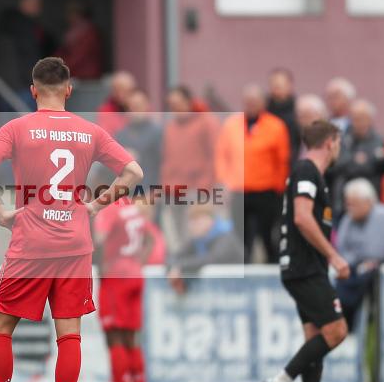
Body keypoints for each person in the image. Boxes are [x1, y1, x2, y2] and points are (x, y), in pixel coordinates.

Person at [0, 57, 142, 382]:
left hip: (32, 242)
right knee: (69, 333)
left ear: (33, 90)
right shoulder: (90, 131)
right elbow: (134, 173)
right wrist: (95, 205)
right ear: (70, 90)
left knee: (0, 326)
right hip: (75, 243)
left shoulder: (18, 127)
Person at [262, 120, 349, 382]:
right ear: (330, 142)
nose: (339, 147)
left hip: (304, 266)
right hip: (304, 266)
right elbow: (301, 217)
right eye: (338, 141)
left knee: (316, 334)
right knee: (337, 331)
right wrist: (334, 255)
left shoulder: (311, 174)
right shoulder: (307, 171)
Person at [216, 83, 289, 263]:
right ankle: (242, 269)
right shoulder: (231, 125)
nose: (251, 105)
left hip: (265, 191)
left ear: (263, 103)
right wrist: (224, 182)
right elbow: (221, 155)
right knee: (241, 236)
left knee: (267, 235)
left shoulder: (276, 126)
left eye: (255, 101)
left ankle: (272, 271)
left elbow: (282, 161)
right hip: (238, 190)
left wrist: (279, 189)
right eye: (247, 101)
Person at [94, 195, 153, 382]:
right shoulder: (132, 208)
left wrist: (102, 267)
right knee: (132, 339)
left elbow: (99, 240)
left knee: (114, 338)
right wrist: (138, 262)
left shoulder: (109, 210)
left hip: (115, 277)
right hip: (135, 275)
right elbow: (150, 239)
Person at [335, 179, 384, 332]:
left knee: (360, 274)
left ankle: (350, 323)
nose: (349, 208)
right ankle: (346, 321)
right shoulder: (348, 218)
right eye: (348, 203)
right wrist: (358, 260)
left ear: (368, 202)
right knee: (351, 275)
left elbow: (375, 253)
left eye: (354, 203)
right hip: (377, 271)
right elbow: (341, 251)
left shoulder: (382, 215)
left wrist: (357, 259)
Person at [160, 85, 219, 250]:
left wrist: (205, 185)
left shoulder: (206, 122)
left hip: (196, 187)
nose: (174, 108)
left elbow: (214, 155)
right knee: (177, 232)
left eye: (177, 104)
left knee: (196, 230)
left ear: (188, 101)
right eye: (171, 105)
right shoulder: (171, 127)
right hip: (173, 189)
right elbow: (166, 157)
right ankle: (181, 265)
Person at [0, 0, 55, 112]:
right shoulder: (24, 27)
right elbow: (28, 58)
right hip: (22, 88)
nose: (38, 7)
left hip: (7, 87)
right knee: (28, 128)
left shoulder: (9, 24)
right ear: (24, 2)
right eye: (35, 3)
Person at [166, 203, 243, 295]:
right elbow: (173, 257)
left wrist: (180, 267)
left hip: (236, 292)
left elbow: (212, 259)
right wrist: (174, 269)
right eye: (191, 221)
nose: (192, 226)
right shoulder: (197, 240)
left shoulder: (226, 238)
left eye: (197, 221)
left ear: (210, 220)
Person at [326, 99, 384, 213]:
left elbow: (373, 167)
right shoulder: (340, 140)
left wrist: (350, 162)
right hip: (342, 203)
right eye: (356, 119)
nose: (359, 123)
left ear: (370, 120)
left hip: (371, 202)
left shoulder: (380, 141)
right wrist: (355, 160)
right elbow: (335, 164)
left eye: (363, 118)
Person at [115, 88, 162, 193]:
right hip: (125, 195)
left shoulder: (157, 133)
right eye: (132, 106)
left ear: (147, 105)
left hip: (149, 194)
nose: (135, 110)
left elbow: (164, 166)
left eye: (139, 106)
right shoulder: (121, 135)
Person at [54, 0, 103, 80]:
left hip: (87, 77)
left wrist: (62, 67)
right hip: (75, 75)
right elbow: (63, 51)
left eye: (70, 13)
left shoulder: (89, 32)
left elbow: (79, 56)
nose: (68, 17)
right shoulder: (72, 31)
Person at [266, 68, 300, 161]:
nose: (276, 87)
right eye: (274, 84)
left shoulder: (299, 112)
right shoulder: (263, 112)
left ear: (290, 85)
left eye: (280, 84)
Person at [96, 71, 136, 137]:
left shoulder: (138, 106)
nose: (121, 95)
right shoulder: (106, 110)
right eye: (118, 90)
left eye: (126, 90)